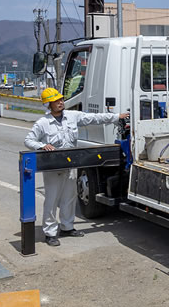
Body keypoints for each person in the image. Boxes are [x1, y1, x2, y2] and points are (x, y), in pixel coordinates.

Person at [24, 87, 129, 246]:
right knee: (52, 200)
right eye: (56, 101)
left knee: (70, 197)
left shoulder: (72, 116)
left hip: (71, 165)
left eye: (61, 99)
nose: (60, 103)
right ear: (48, 105)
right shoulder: (43, 123)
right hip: (54, 167)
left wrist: (116, 117)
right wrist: (42, 145)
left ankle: (67, 227)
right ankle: (50, 233)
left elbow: (93, 118)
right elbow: (28, 140)